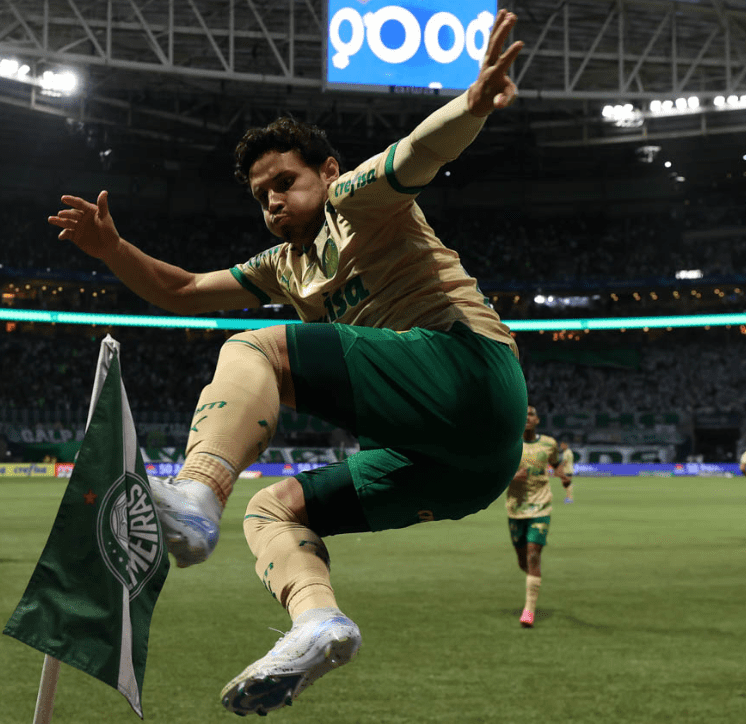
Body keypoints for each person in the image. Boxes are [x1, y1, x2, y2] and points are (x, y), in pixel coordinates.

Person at [49, 9, 526, 716]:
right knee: (272, 509)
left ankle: (196, 495)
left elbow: (422, 150)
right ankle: (318, 624)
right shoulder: (281, 265)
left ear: (327, 171)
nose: (273, 199)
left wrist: (472, 103)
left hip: (470, 373)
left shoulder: (358, 199)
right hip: (459, 466)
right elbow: (180, 290)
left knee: (253, 346)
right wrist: (113, 249)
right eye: (261, 194)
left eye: (285, 180)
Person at [505, 406, 566, 628]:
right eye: (523, 415)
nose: (527, 418)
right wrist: (512, 477)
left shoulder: (549, 444)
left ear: (537, 420)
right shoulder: (509, 444)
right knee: (523, 560)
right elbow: (495, 475)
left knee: (532, 555)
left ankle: (528, 611)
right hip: (516, 509)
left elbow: (556, 465)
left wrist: (563, 476)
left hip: (541, 506)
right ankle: (534, 577)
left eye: (530, 414)